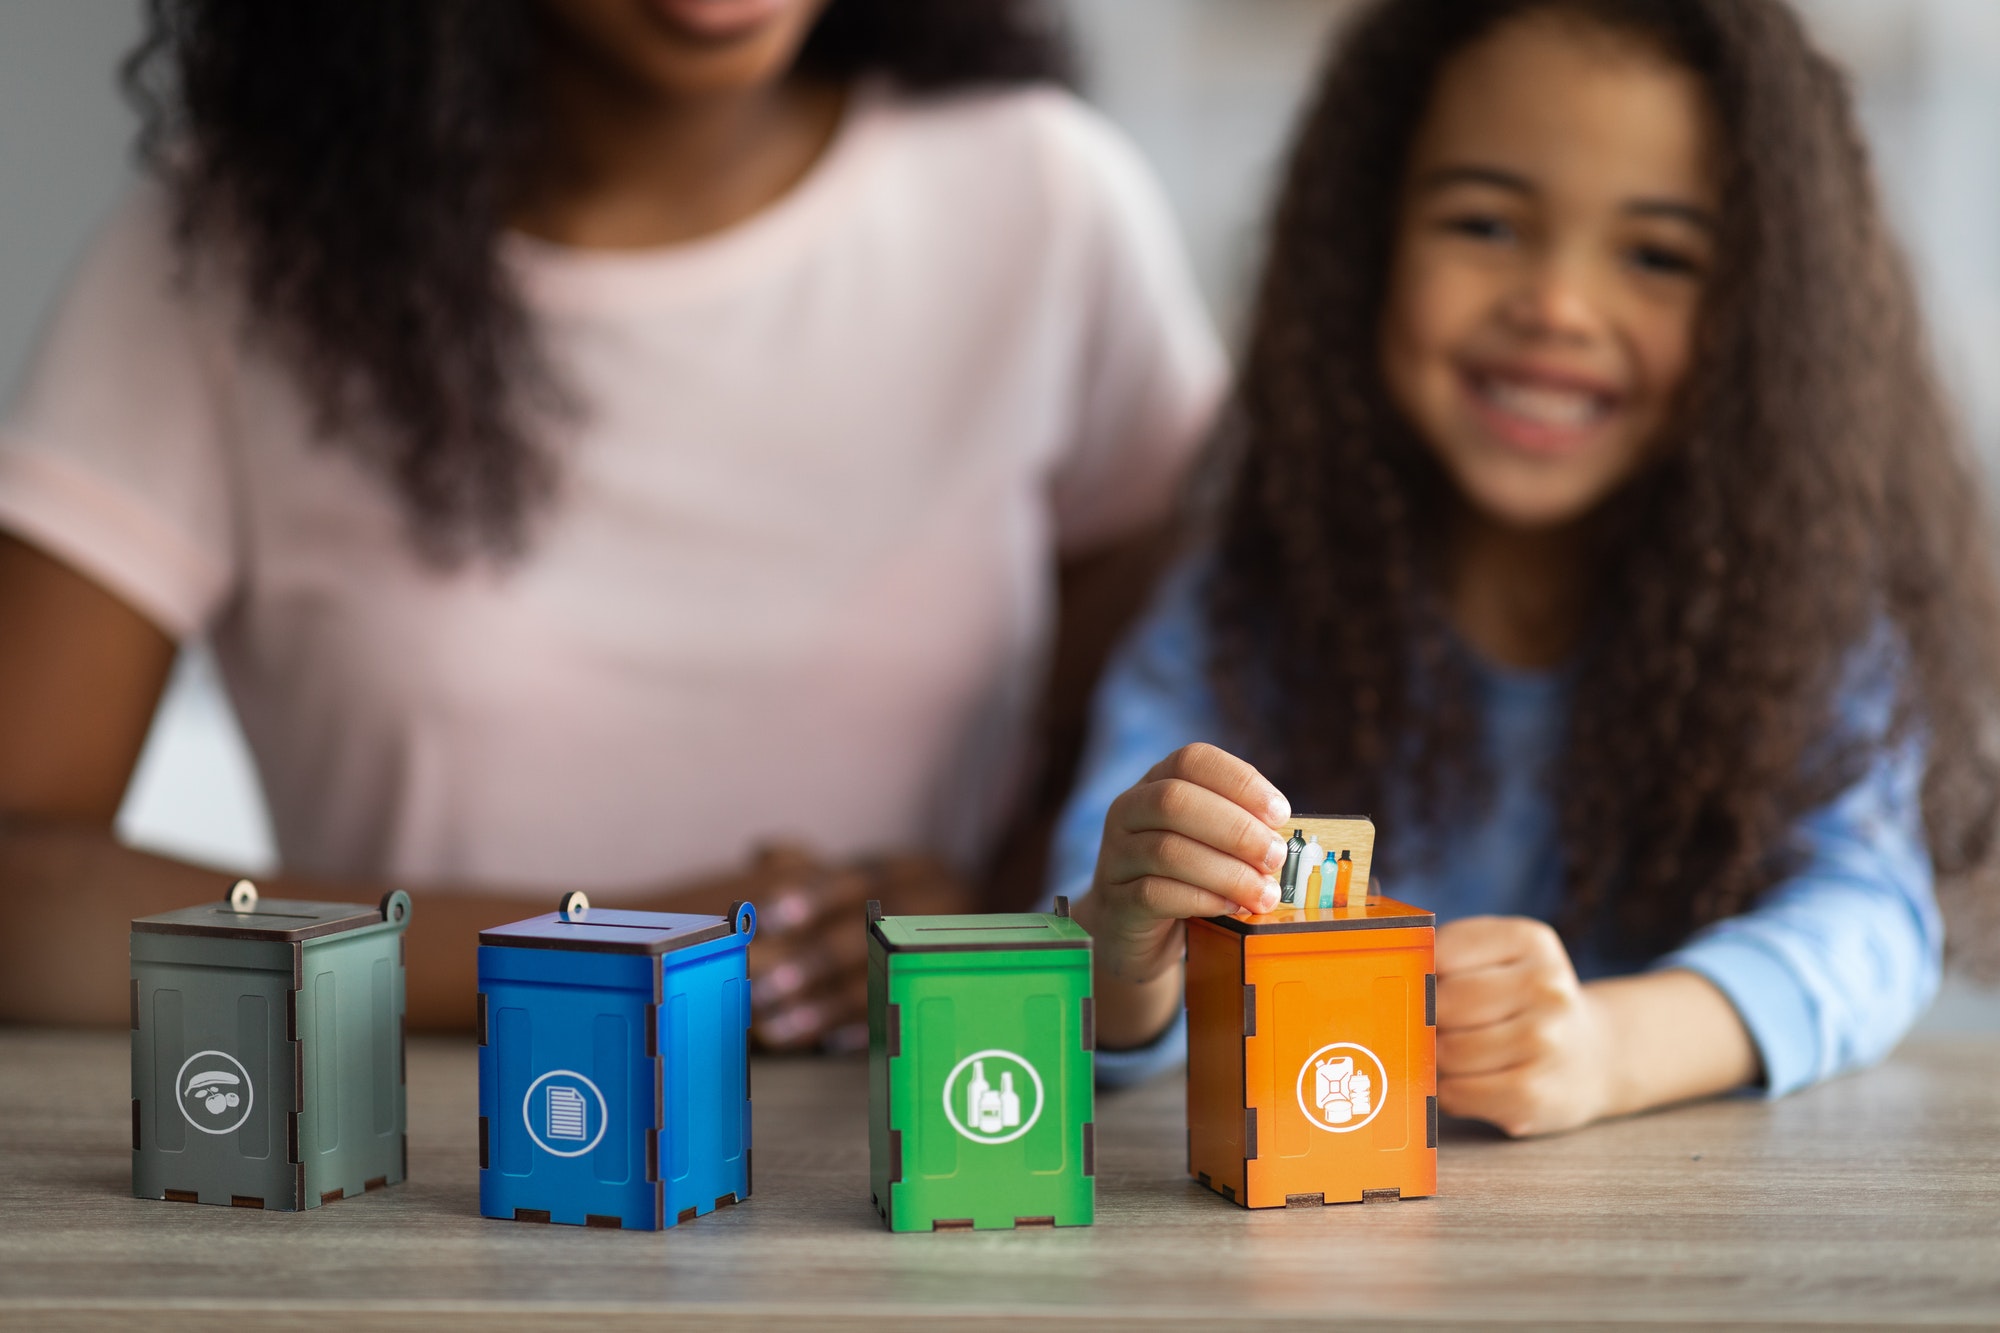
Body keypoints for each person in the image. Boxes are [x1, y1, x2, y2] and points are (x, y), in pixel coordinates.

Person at [0, 0, 1226, 1040]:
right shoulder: (227, 263)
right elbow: (23, 885)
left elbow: (1158, 747)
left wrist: (993, 920)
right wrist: (599, 951)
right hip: (418, 1203)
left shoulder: (1040, 204)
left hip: (933, 1175)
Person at [1053, 0, 2000, 1136]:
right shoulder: (1236, 606)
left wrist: (1610, 1046)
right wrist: (1125, 943)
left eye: (1657, 254)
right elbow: (1094, 988)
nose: (1555, 305)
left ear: (1764, 318)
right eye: (1485, 225)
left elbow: (1871, 920)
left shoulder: (1814, 621)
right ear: (1362, 241)